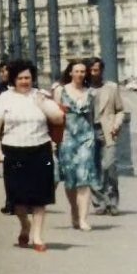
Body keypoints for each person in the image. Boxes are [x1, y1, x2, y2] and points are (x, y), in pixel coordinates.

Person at [0, 59, 66, 252]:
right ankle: (25, 224)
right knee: (17, 198)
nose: (25, 81)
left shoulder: (39, 95)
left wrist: (43, 103)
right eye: (21, 78)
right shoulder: (5, 98)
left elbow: (58, 118)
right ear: (14, 79)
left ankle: (38, 236)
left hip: (40, 148)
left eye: (28, 78)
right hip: (13, 150)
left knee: (41, 195)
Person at [52, 60, 99, 231]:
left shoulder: (91, 93)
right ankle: (74, 210)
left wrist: (96, 136)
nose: (80, 74)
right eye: (76, 71)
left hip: (86, 138)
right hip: (67, 137)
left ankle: (83, 218)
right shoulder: (60, 91)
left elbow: (93, 117)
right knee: (71, 180)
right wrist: (54, 140)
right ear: (70, 73)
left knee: (84, 178)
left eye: (83, 71)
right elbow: (55, 116)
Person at [89, 57, 126, 215]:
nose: (93, 73)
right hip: (88, 132)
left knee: (108, 166)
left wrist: (117, 124)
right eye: (90, 70)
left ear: (102, 71)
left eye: (96, 70)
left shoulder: (111, 87)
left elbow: (120, 110)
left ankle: (112, 201)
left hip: (107, 131)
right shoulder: (83, 89)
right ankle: (99, 203)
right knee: (93, 168)